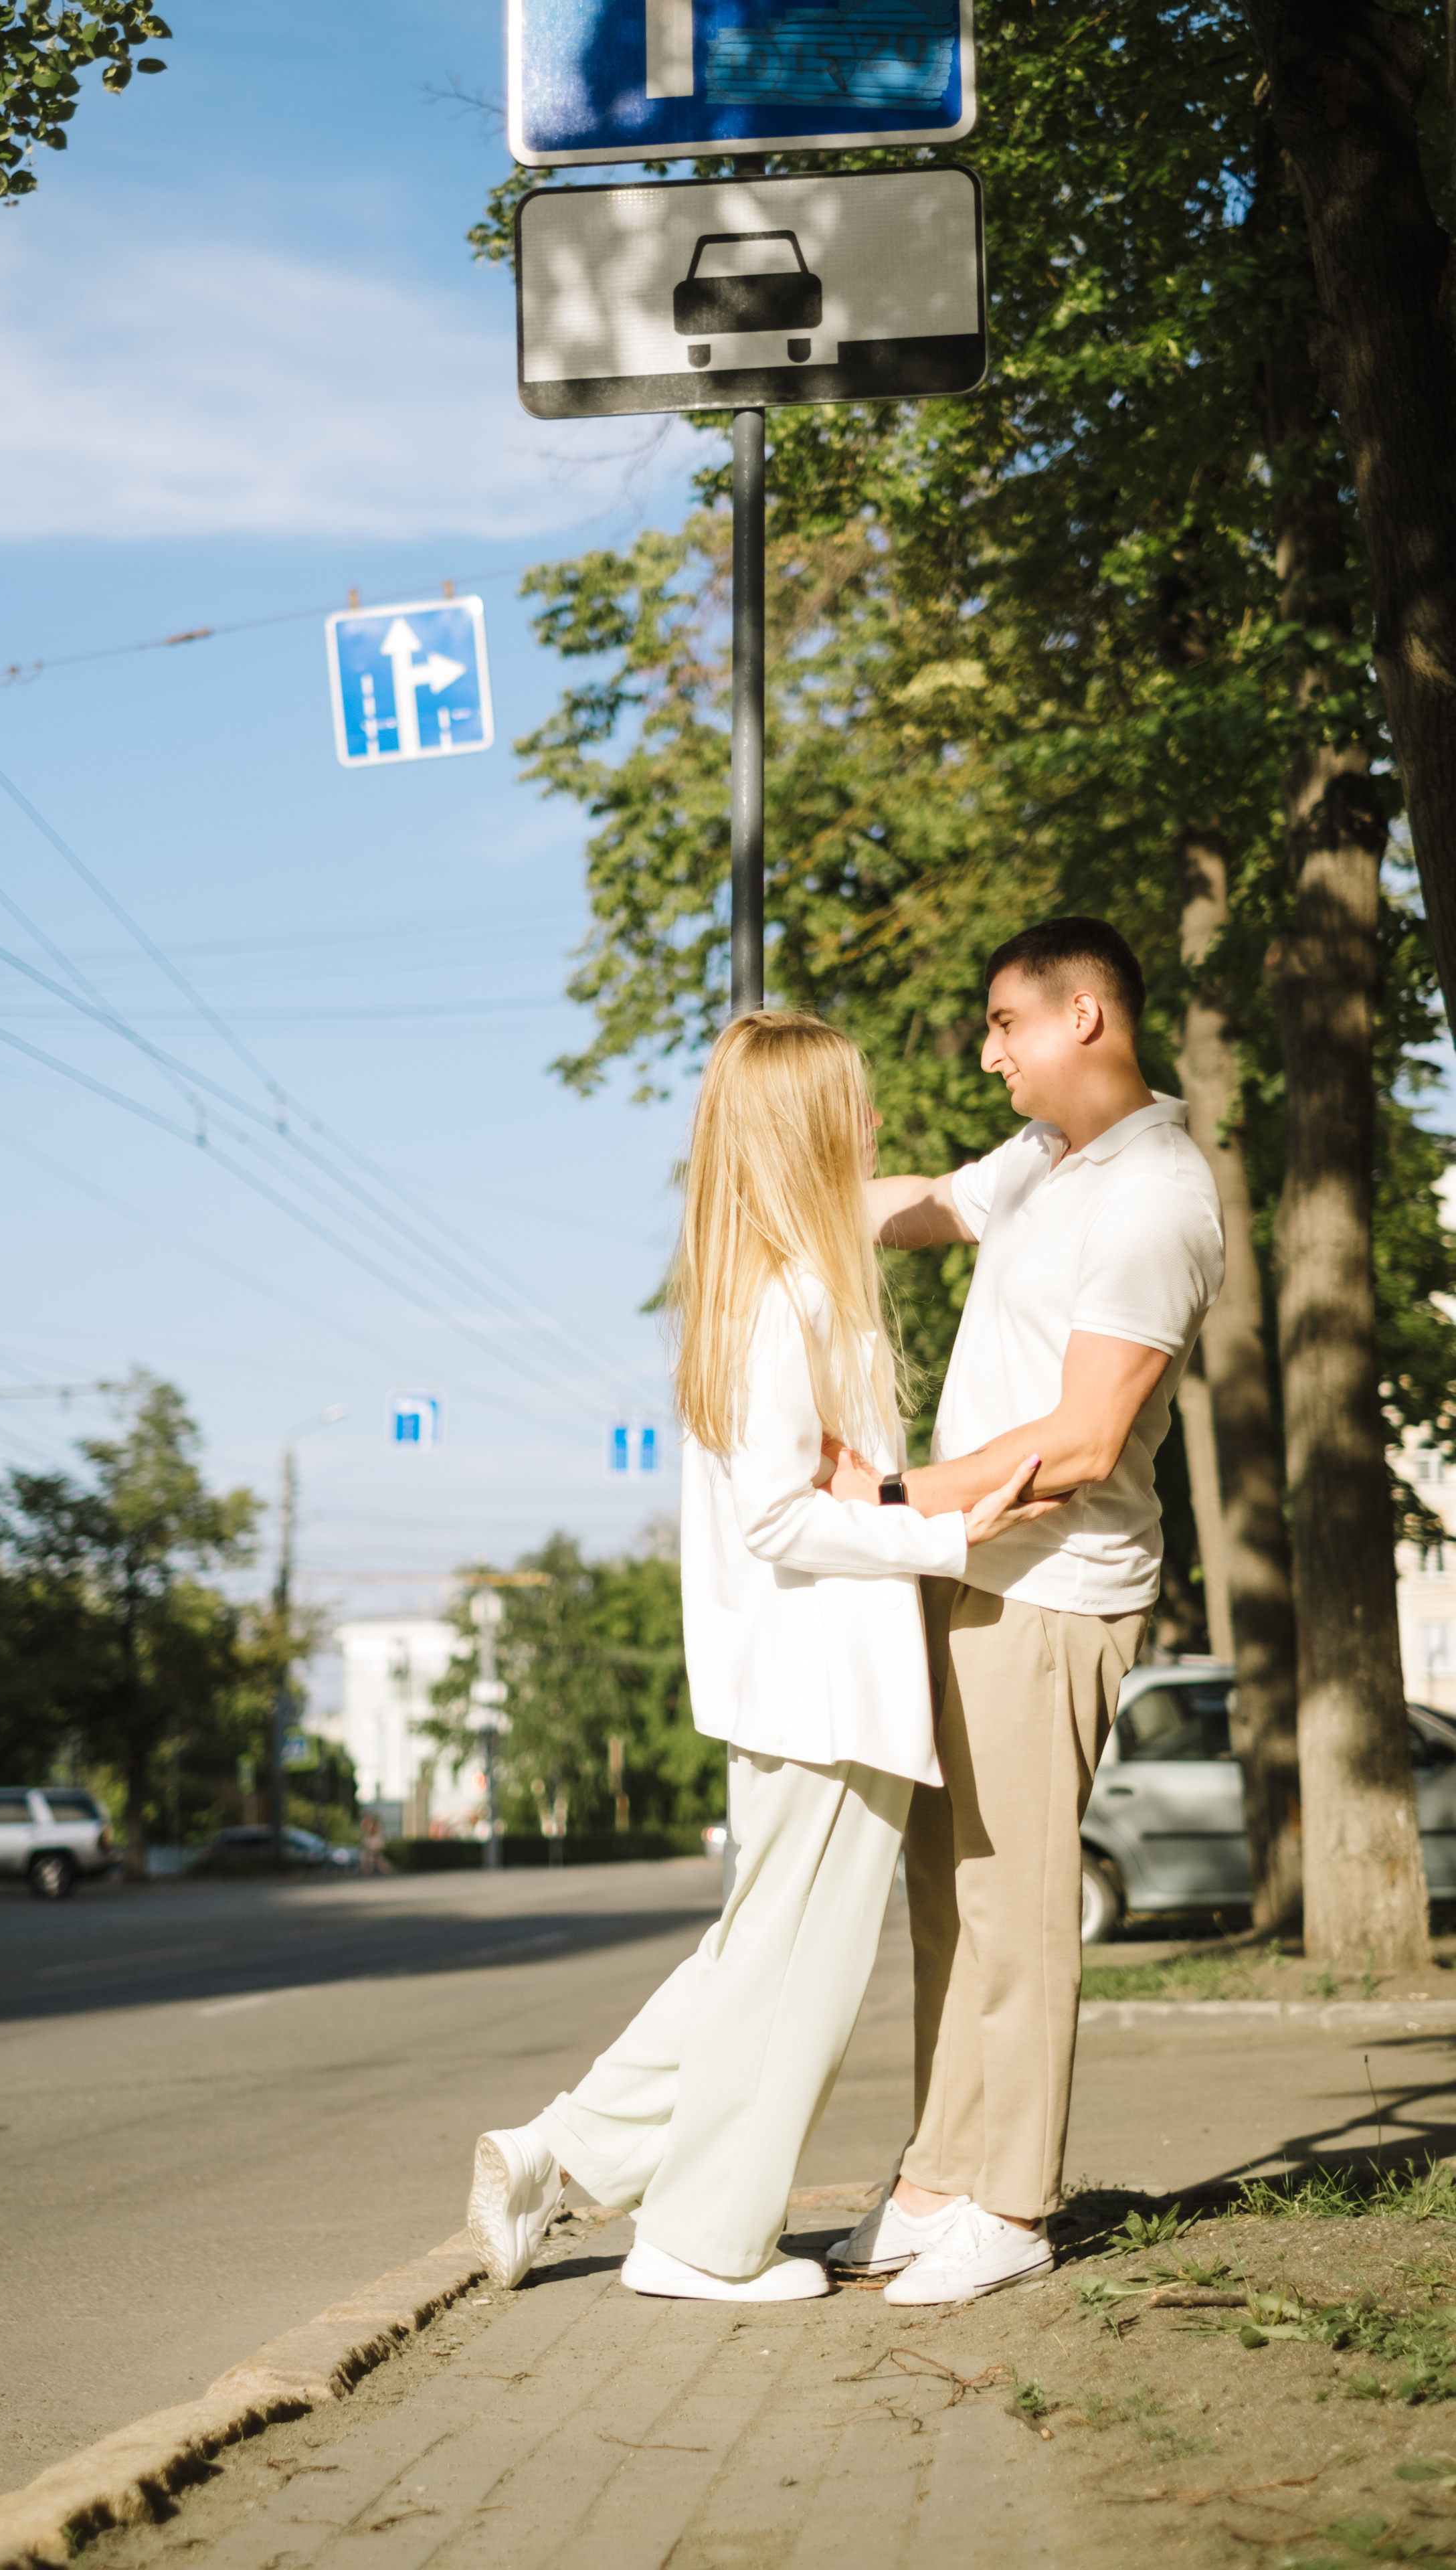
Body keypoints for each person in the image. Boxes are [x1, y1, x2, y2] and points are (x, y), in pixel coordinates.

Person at [464, 1010, 1056, 2306]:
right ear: (802, 1127)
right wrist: (952, 1533)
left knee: (754, 1958)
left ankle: (559, 2150)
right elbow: (778, 1519)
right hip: (822, 1685)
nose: (874, 1124)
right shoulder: (787, 1296)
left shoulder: (771, 1276)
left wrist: (1059, 1138)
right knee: (796, 1981)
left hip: (804, 1684)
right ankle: (701, 2241)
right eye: (852, 1104)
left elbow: (940, 1196)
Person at [826, 917, 1224, 2305]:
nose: (986, 1053)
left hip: (1050, 1587)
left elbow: (1084, 1441)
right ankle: (938, 2176)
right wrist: (773, 1182)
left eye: (1005, 1025)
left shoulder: (1153, 1195)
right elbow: (925, 1202)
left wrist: (883, 1498)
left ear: (1084, 1019)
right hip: (968, 1573)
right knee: (944, 1896)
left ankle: (1013, 2202)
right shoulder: (1049, 1163)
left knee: (1014, 1904)